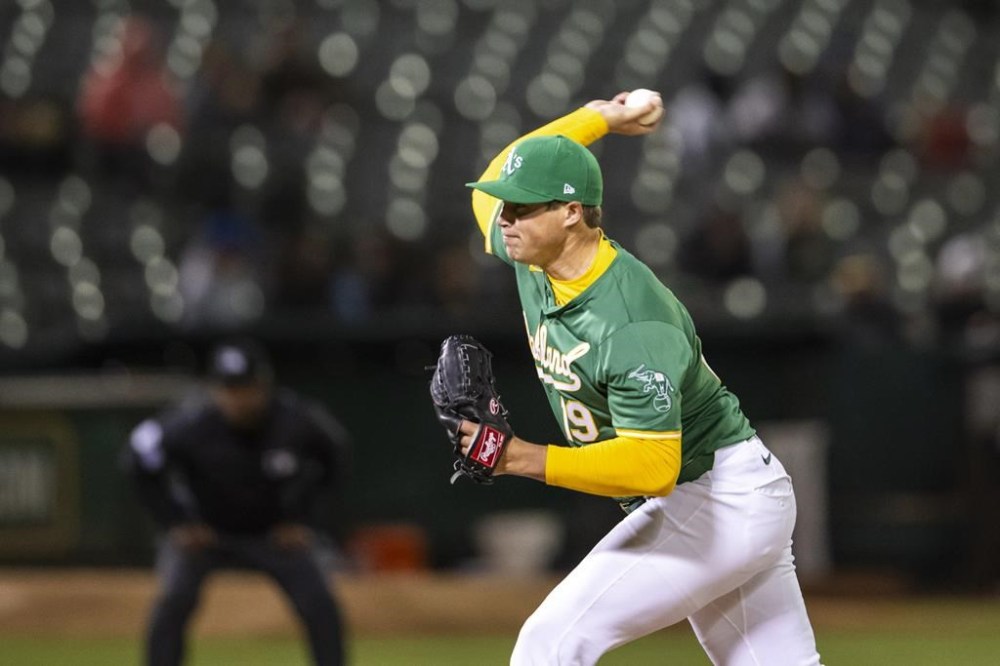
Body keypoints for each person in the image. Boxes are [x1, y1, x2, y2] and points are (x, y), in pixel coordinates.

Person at [459, 93, 823, 665]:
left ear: (572, 212)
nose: (504, 218)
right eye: (505, 207)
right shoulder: (532, 253)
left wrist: (523, 458)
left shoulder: (630, 322)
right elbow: (496, 172)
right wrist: (600, 118)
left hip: (715, 498)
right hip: (727, 496)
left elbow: (653, 468)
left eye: (521, 208)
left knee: (550, 643)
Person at [123, 339, 350, 666]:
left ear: (264, 385)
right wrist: (176, 522)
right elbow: (136, 459)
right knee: (173, 598)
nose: (238, 398)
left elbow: (336, 455)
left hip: (272, 534)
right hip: (206, 534)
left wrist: (305, 520)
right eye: (229, 389)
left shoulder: (295, 419)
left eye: (246, 387)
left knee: (319, 603)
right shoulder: (190, 422)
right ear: (215, 390)